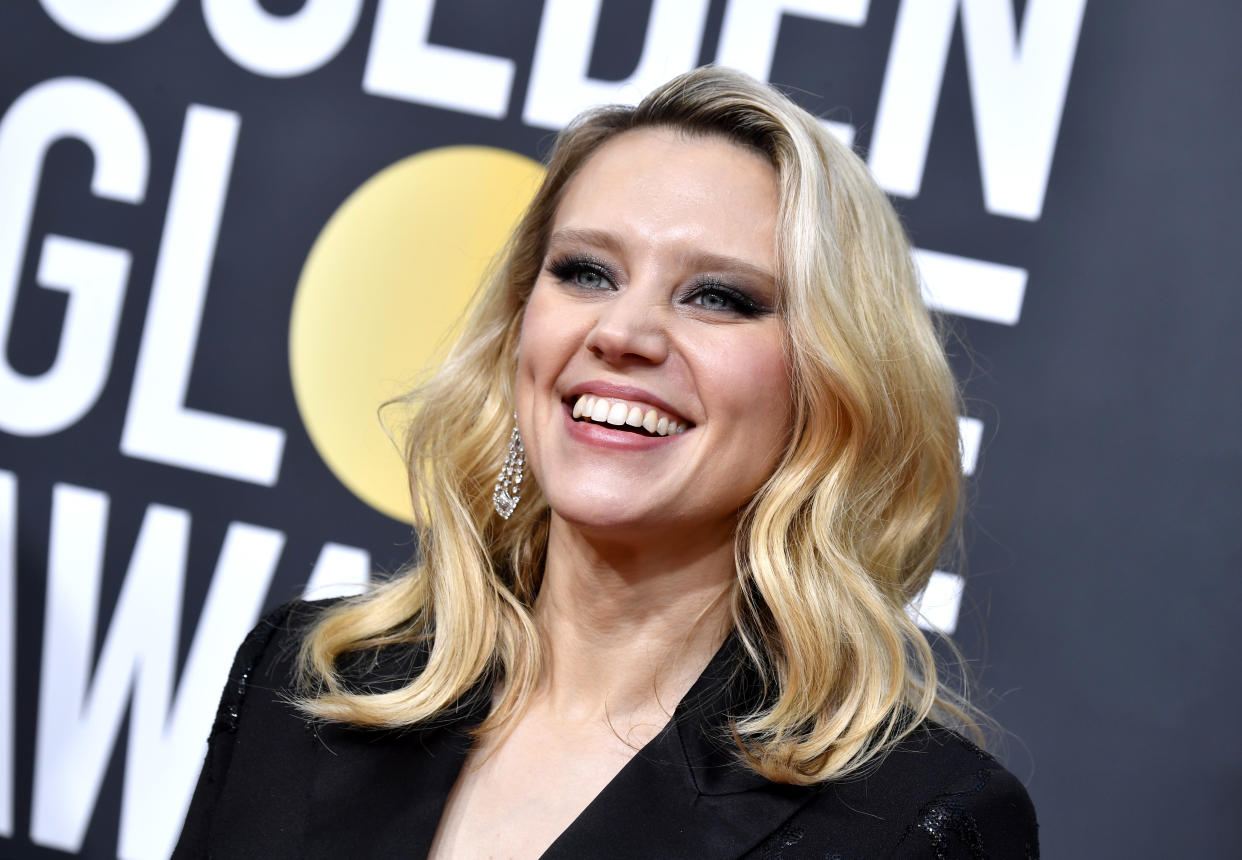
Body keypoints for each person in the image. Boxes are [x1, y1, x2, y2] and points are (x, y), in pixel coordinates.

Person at [175, 66, 1037, 858]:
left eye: (718, 297)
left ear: (829, 388)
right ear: (520, 326)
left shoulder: (916, 823)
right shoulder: (306, 679)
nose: (620, 333)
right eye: (586, 272)